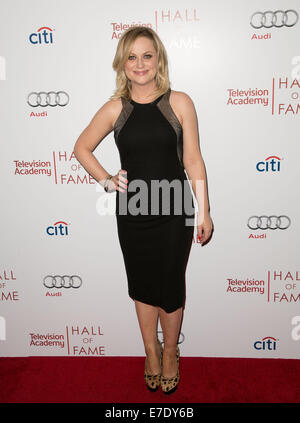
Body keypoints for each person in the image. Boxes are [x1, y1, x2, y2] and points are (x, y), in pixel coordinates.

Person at [73, 26, 213, 394]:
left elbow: (193, 161)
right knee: (142, 287)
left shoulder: (179, 102)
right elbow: (81, 148)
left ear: (159, 60)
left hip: (175, 211)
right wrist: (106, 180)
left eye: (147, 55)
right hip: (133, 212)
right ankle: (151, 352)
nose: (140, 64)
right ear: (122, 62)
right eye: (132, 56)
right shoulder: (116, 108)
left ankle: (170, 353)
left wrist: (204, 212)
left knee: (170, 286)